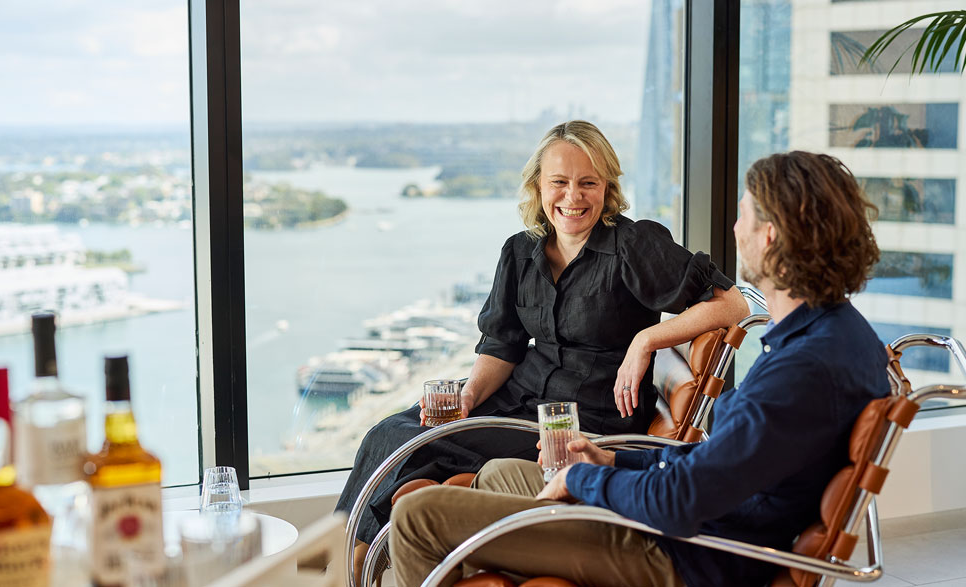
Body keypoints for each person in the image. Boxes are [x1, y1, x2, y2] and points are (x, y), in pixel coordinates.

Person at [389, 150, 888, 587]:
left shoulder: (800, 372)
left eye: (742, 217)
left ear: (770, 236)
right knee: (500, 474)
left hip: (678, 554)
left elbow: (683, 499)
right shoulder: (838, 336)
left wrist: (585, 482)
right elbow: (713, 467)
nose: (736, 230)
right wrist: (609, 463)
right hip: (685, 529)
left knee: (416, 515)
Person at [335, 120, 749, 558]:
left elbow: (732, 304)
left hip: (582, 421)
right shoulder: (520, 251)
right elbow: (501, 346)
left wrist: (645, 339)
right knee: (390, 431)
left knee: (419, 445)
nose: (573, 197)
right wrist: (470, 395)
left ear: (607, 187)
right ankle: (342, 559)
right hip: (517, 400)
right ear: (538, 186)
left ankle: (351, 564)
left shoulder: (634, 245)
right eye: (560, 182)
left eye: (588, 183)